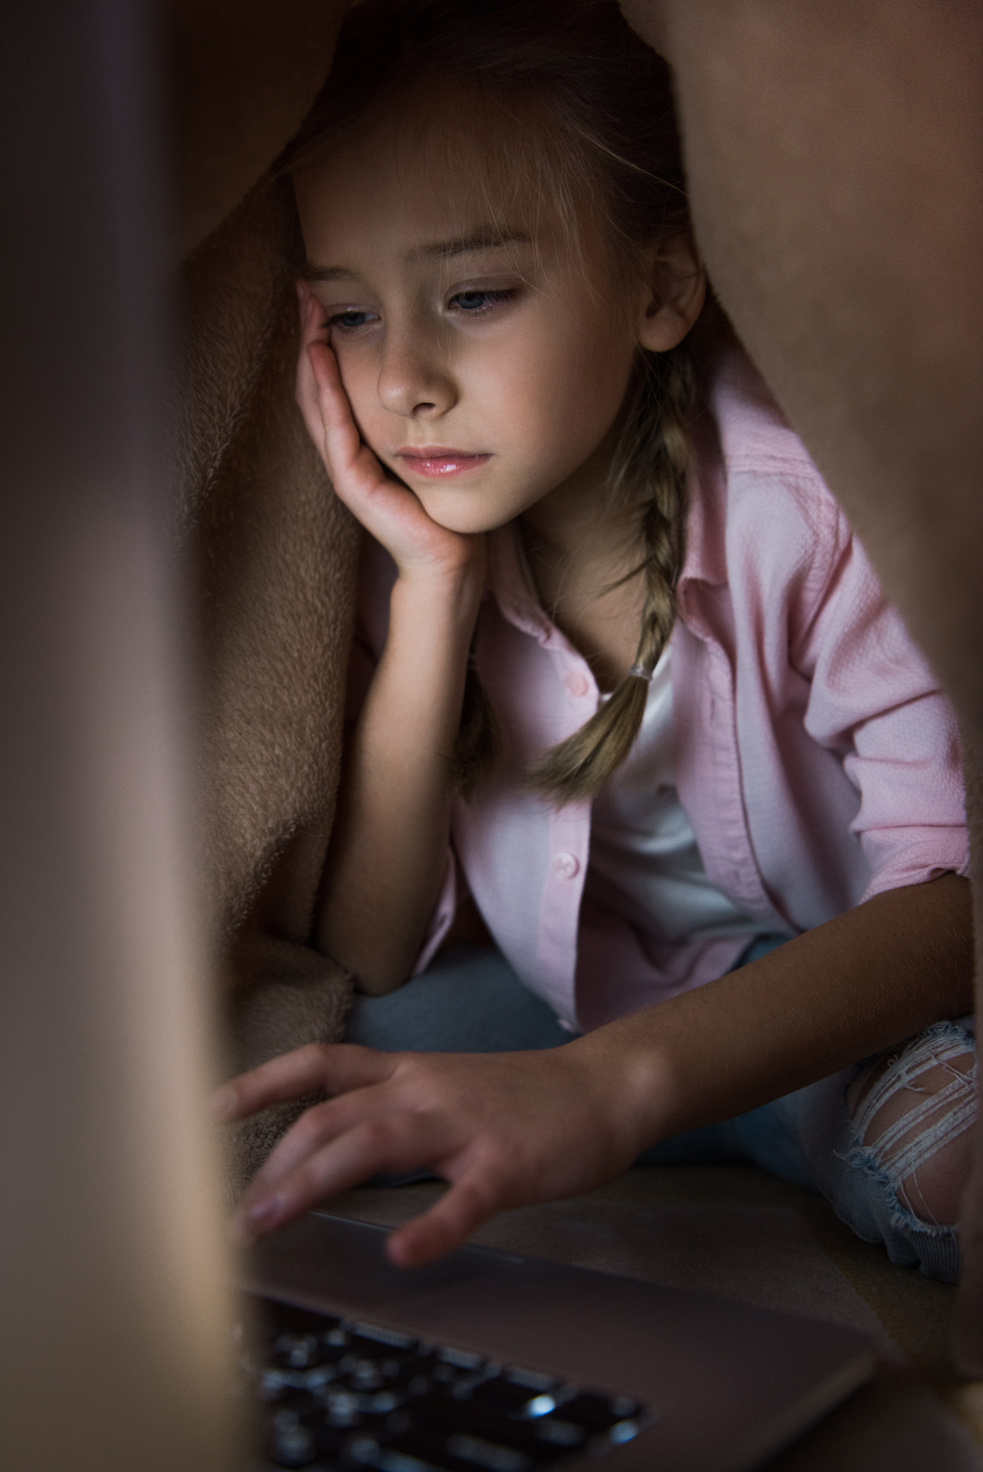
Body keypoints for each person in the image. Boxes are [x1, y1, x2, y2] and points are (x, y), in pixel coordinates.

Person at [215, 0, 976, 1286]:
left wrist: (605, 1088)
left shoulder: (805, 505)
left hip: (843, 995)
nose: (402, 378)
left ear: (663, 284)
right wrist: (435, 592)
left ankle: (753, 1114)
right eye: (347, 315)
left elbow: (952, 904)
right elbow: (373, 950)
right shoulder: (410, 532)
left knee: (949, 1157)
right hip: (581, 993)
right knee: (244, 1097)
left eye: (472, 293)